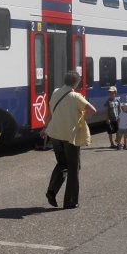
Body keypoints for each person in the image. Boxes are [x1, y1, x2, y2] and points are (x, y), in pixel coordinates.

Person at [41, 71, 96, 209]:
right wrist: (82, 118)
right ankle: (70, 201)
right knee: (73, 168)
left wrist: (44, 128)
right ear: (76, 83)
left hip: (54, 134)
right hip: (69, 137)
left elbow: (49, 113)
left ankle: (51, 191)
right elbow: (92, 110)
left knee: (62, 164)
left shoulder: (56, 92)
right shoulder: (76, 96)